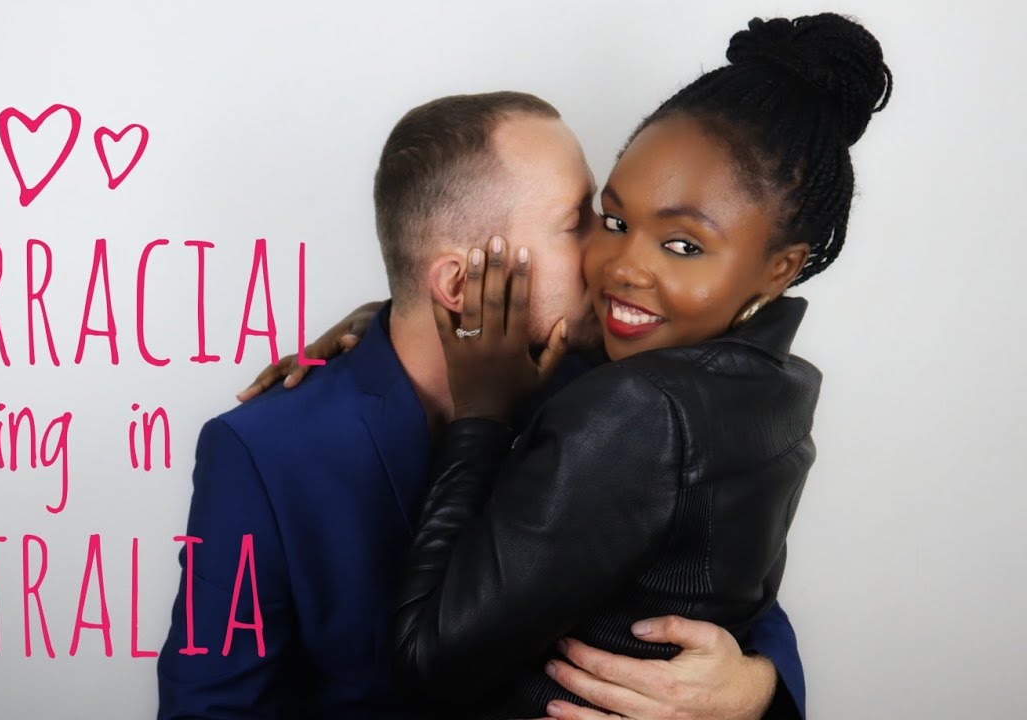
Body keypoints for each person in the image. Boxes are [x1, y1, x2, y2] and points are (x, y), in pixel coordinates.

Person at [158, 91, 803, 719]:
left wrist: (753, 690)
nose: (610, 255)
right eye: (577, 223)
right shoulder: (262, 454)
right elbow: (211, 707)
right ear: (462, 283)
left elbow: (716, 568)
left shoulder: (611, 393)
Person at [386, 13, 891, 720]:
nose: (622, 268)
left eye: (684, 246)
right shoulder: (780, 389)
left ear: (780, 269)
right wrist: (381, 322)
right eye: (615, 222)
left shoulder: (641, 408)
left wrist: (482, 417)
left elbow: (424, 659)